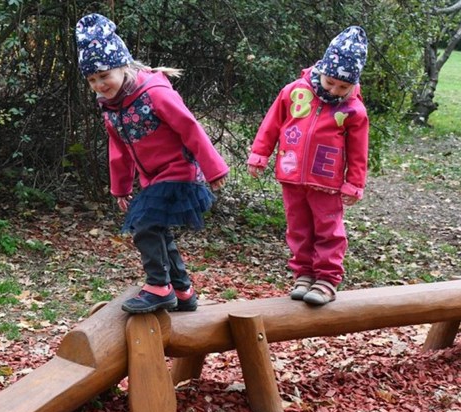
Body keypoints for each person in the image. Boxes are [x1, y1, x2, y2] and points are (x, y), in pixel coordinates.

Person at [75, 13, 229, 314]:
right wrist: (120, 187)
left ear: (123, 66)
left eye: (104, 75)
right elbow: (118, 148)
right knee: (158, 229)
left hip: (179, 171)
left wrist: (214, 168)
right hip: (153, 179)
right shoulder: (111, 107)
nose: (99, 84)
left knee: (144, 223)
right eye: (92, 80)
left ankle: (159, 286)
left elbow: (189, 128)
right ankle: (183, 291)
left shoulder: (154, 93)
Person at [247, 26, 369, 306]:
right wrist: (259, 154)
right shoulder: (293, 92)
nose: (335, 90)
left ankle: (326, 279)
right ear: (322, 69)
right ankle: (303, 274)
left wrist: (354, 182)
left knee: (328, 229)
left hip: (327, 181)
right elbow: (271, 124)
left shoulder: (353, 110)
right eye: (330, 83)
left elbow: (359, 151)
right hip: (291, 174)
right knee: (298, 227)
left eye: (343, 87)